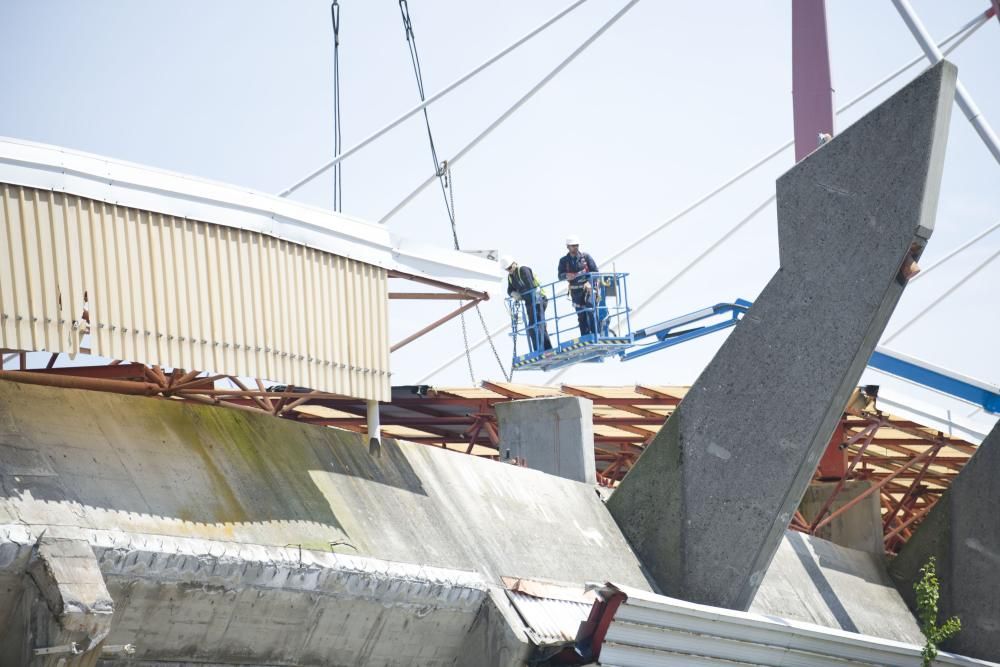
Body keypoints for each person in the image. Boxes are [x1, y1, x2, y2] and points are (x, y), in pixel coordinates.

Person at [502, 256, 553, 352]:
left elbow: (531, 287)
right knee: (536, 325)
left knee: (535, 326)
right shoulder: (511, 276)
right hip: (530, 302)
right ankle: (546, 349)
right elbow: (509, 289)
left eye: (510, 268)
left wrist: (521, 294)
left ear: (514, 263)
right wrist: (513, 294)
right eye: (507, 269)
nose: (509, 271)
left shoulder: (523, 270)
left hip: (538, 299)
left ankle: (541, 350)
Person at [557, 236, 599, 336]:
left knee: (590, 307)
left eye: (577, 245)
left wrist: (589, 282)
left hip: (588, 288)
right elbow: (560, 276)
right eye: (573, 246)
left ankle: (596, 334)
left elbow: (596, 272)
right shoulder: (564, 261)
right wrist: (566, 276)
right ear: (568, 247)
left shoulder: (586, 257)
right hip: (576, 292)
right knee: (581, 315)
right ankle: (585, 337)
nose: (575, 247)